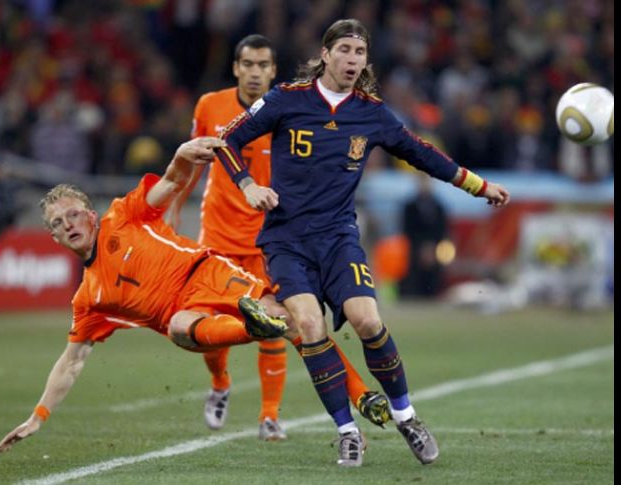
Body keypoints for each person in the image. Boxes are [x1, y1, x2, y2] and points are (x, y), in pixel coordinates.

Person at [214, 19, 511, 467]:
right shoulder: (286, 100)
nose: (353, 60)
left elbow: (421, 153)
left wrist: (477, 185)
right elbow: (227, 141)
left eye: (360, 53)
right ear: (326, 53)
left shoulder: (371, 113)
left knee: (367, 320)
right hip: (286, 240)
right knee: (310, 328)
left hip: (338, 239)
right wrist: (247, 185)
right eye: (346, 50)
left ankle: (407, 417)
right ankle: (348, 431)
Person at [0, 137, 291, 453]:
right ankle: (251, 330)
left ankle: (338, 404)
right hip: (185, 319)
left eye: (73, 214)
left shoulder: (121, 215)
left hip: (206, 272)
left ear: (91, 216)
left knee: (287, 315)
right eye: (58, 223)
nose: (68, 224)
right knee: (179, 327)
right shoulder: (88, 300)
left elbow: (171, 181)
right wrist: (37, 418)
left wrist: (180, 155)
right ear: (55, 238)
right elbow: (71, 362)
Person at [168, 34, 391, 440]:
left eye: (262, 65)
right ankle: (220, 384)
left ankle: (269, 414)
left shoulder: (286, 111)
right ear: (236, 68)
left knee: (281, 324)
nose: (254, 72)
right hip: (217, 238)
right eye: (247, 64)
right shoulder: (209, 107)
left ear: (273, 71)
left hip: (268, 240)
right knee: (209, 324)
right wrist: (174, 206)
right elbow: (195, 161)